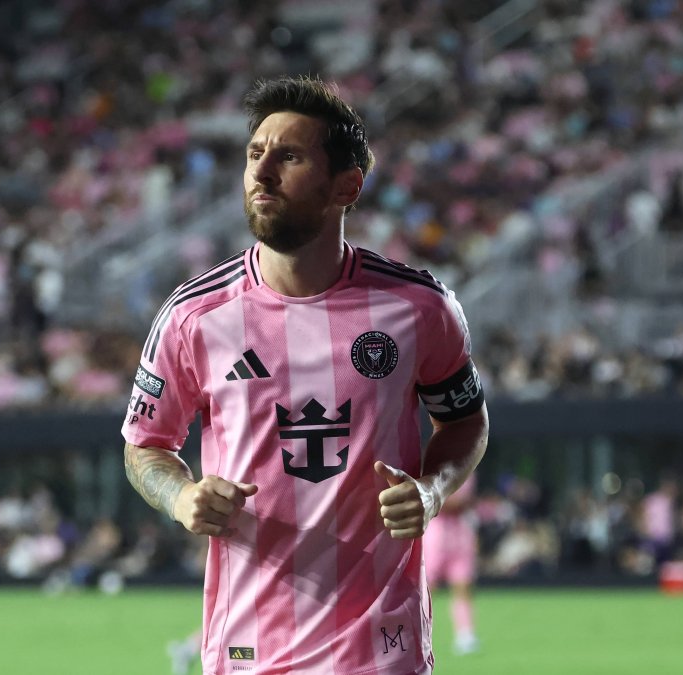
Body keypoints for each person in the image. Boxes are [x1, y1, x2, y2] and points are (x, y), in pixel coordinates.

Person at [122, 76, 489, 675]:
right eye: (254, 154)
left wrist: (433, 489)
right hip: (249, 652)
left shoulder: (419, 308)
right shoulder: (194, 316)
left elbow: (466, 421)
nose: (261, 173)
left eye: (288, 156)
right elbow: (145, 446)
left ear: (347, 185)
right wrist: (181, 495)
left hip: (382, 652)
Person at [422, 475, 479, 654]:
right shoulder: (431, 468)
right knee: (427, 589)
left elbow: (466, 501)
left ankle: (465, 634)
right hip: (436, 535)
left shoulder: (468, 469)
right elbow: (436, 503)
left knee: (463, 586)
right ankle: (418, 632)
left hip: (460, 535)